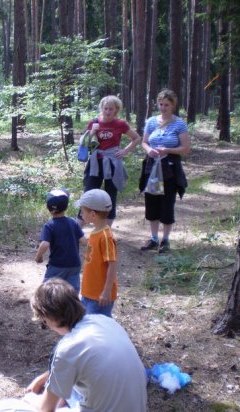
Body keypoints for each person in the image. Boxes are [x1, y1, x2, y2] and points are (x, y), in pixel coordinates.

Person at [25, 279, 147, 412]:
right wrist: (44, 378)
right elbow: (84, 362)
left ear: (49, 318)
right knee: (70, 390)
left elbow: (46, 409)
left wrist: (33, 400)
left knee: (29, 401)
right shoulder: (106, 321)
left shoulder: (68, 347)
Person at [78, 95, 141, 227]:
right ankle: (78, 229)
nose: (107, 111)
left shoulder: (120, 124)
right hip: (96, 163)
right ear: (102, 108)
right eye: (105, 108)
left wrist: (124, 151)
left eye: (110, 109)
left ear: (116, 110)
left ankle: (106, 230)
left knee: (110, 195)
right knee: (89, 193)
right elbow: (85, 143)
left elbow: (136, 138)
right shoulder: (94, 122)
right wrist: (92, 131)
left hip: (112, 163)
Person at [139, 89, 190, 253]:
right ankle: (153, 238)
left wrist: (167, 149)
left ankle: (165, 240)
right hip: (151, 167)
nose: (163, 107)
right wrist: (149, 151)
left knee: (167, 203)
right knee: (151, 202)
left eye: (166, 105)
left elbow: (185, 148)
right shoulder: (151, 121)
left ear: (173, 105)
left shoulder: (179, 124)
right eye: (160, 104)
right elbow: (144, 142)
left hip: (170, 168)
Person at [75, 189, 118, 317]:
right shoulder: (96, 231)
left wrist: (106, 291)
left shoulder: (106, 236)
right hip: (89, 292)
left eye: (82, 211)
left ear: (93, 214)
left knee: (98, 327)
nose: (81, 214)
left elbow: (112, 264)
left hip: (99, 296)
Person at [35, 189, 86, 292]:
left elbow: (45, 244)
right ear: (66, 207)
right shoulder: (73, 222)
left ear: (48, 207)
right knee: (72, 290)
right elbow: (83, 241)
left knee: (48, 290)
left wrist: (38, 257)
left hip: (57, 265)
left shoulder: (49, 225)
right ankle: (71, 306)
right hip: (74, 264)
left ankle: (49, 306)